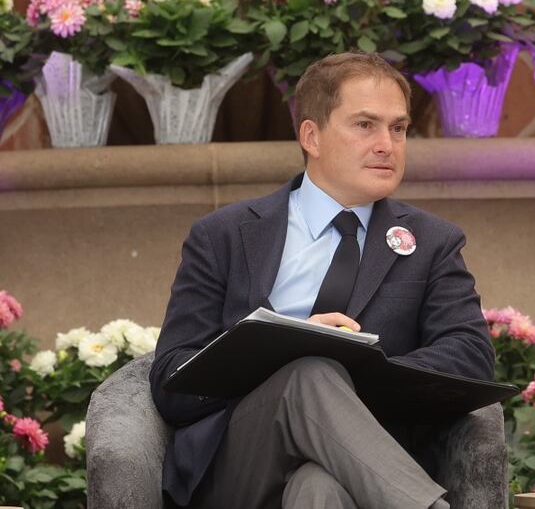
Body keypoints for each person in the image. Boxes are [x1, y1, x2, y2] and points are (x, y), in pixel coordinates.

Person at [150, 52, 494, 509]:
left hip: (365, 470)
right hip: (240, 463)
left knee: (319, 487)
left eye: (398, 128)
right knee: (308, 373)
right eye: (365, 125)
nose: (387, 145)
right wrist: (284, 351)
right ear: (311, 136)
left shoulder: (432, 242)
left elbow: (470, 356)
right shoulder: (224, 235)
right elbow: (172, 379)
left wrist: (355, 370)